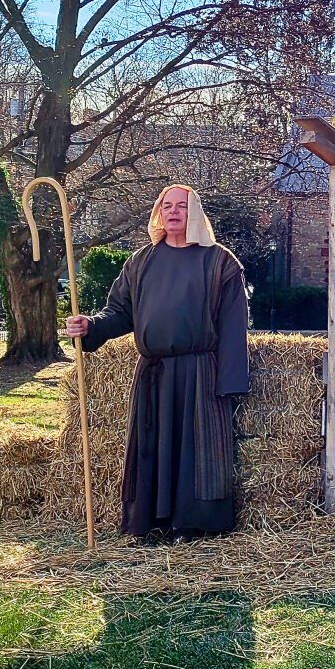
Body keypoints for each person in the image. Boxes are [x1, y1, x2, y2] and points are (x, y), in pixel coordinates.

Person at [66, 184, 249, 538]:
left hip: (200, 372)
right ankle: (152, 521)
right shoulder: (141, 262)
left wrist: (229, 383)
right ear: (158, 212)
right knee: (153, 444)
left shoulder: (219, 262)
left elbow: (233, 325)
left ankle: (196, 523)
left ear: (194, 213)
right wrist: (89, 326)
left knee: (198, 447)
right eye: (167, 206)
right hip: (154, 372)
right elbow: (118, 313)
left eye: (182, 206)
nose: (174, 212)